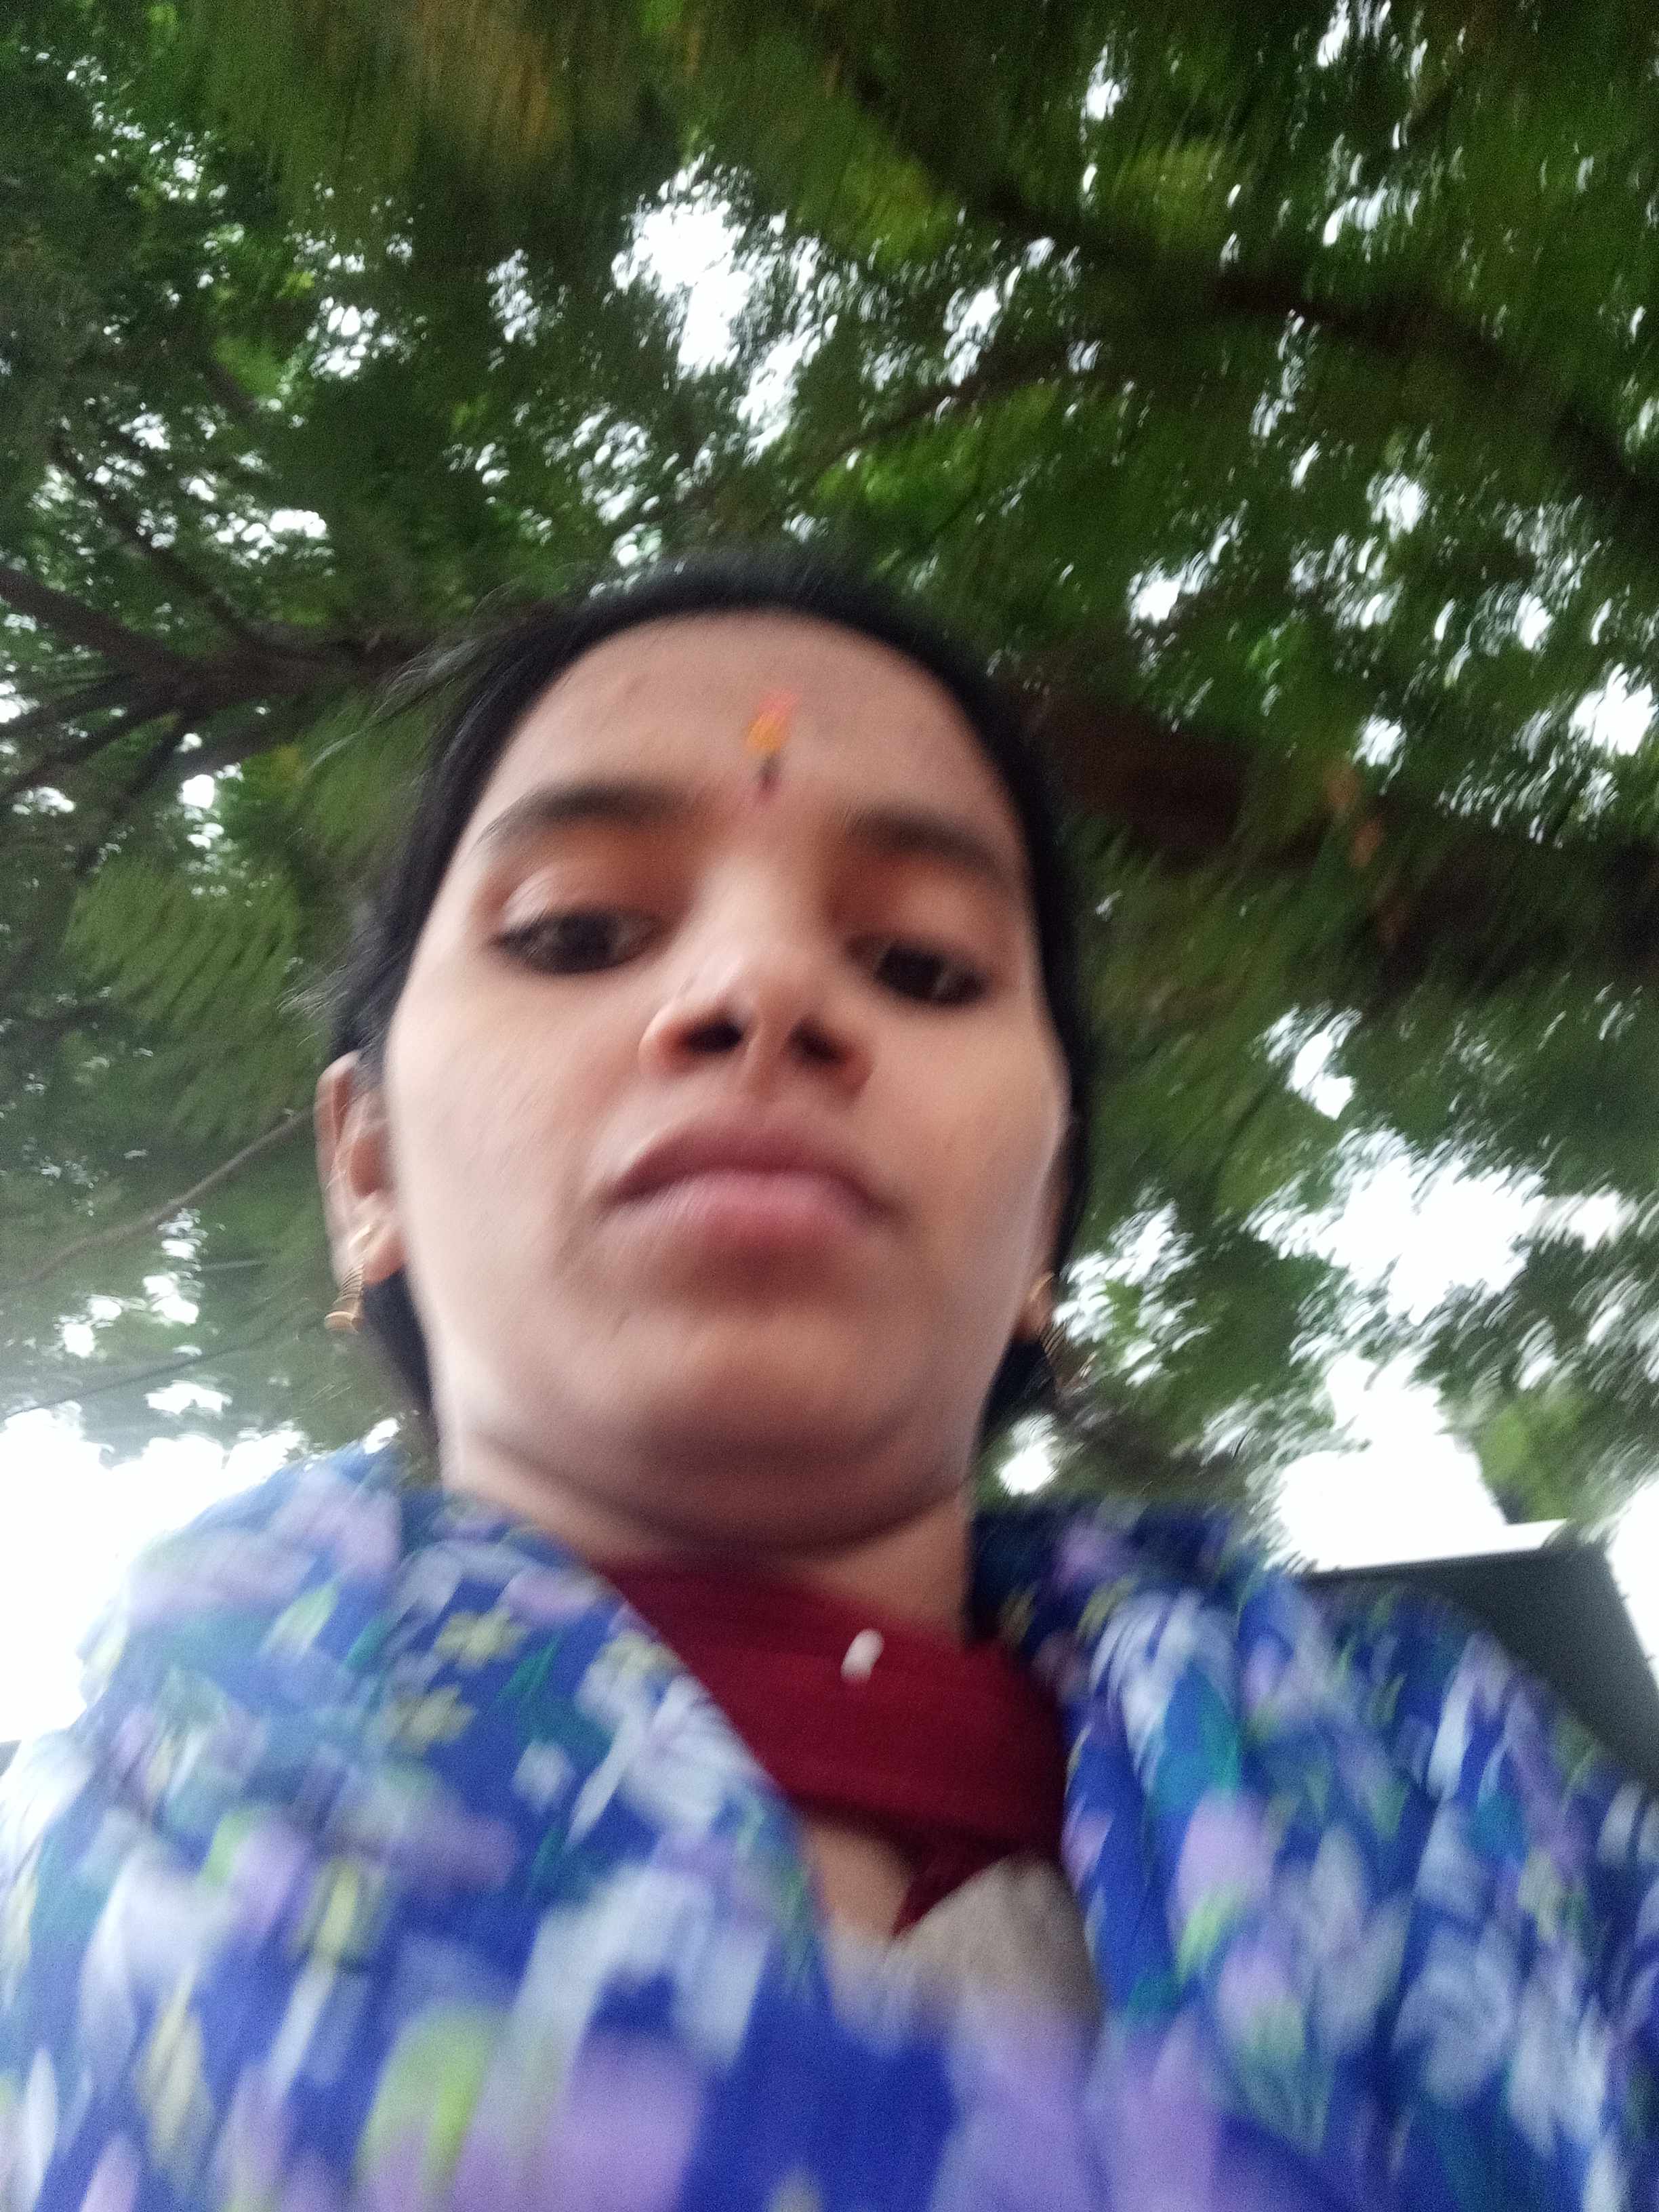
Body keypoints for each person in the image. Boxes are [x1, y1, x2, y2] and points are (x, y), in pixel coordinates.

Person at [1, 550, 1654, 2212]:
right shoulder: (77, 1862)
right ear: (367, 1168)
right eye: (579, 932)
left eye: (925, 964)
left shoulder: (1478, 1817)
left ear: (1043, 1228)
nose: (761, 989)